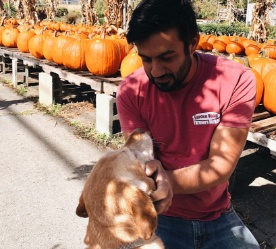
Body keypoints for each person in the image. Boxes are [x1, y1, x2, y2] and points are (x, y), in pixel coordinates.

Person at [116, 0, 260, 248]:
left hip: (218, 215)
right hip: (161, 214)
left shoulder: (236, 80)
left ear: (193, 43)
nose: (156, 71)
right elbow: (139, 157)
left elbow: (221, 164)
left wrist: (165, 181)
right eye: (146, 59)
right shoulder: (131, 91)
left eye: (166, 57)